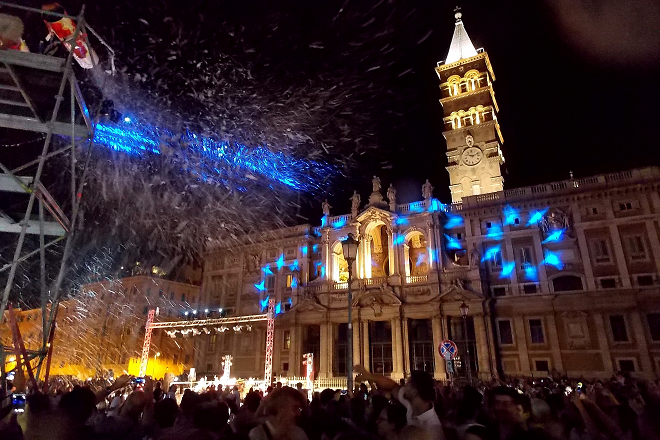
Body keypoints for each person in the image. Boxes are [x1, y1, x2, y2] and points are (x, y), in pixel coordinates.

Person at [355, 365, 445, 440]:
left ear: (414, 392)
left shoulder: (432, 429)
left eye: (407, 384)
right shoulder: (411, 405)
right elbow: (392, 386)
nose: (404, 386)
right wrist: (369, 376)